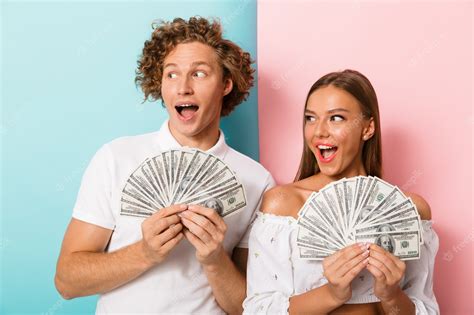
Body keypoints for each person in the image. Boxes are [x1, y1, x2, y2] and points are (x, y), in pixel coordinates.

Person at [54, 17, 274, 314]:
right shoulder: (116, 158)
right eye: (171, 75)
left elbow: (247, 308)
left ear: (226, 84)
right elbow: (67, 282)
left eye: (199, 73)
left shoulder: (256, 180)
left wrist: (214, 260)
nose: (183, 87)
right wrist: (144, 252)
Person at [243, 70, 439, 314]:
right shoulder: (282, 205)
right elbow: (258, 309)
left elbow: (427, 309)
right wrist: (331, 293)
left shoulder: (409, 210)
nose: (319, 131)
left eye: (336, 118)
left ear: (367, 128)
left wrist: (391, 295)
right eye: (310, 118)